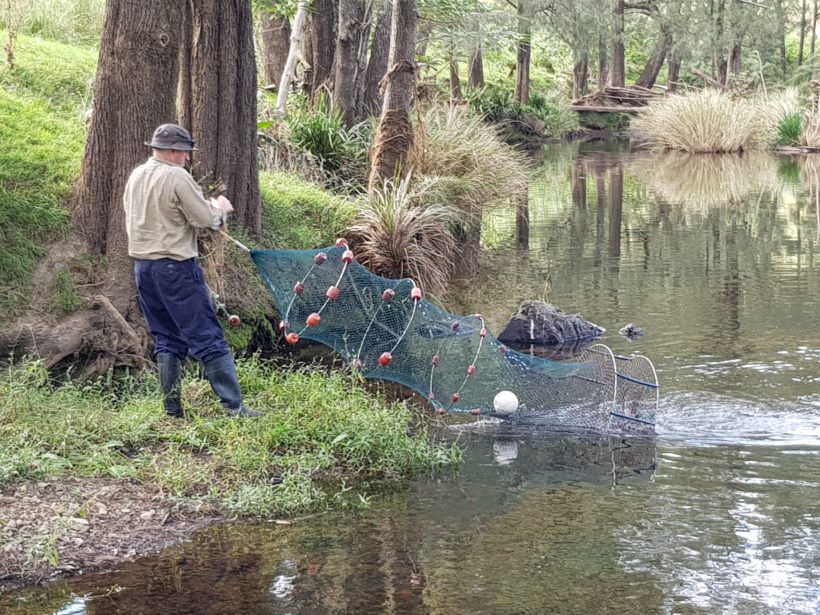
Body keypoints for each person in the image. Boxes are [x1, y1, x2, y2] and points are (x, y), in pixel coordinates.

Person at [123, 123, 259, 418]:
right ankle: (234, 408)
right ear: (172, 151)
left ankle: (172, 410)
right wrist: (220, 209)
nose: (187, 158)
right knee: (207, 334)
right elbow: (204, 220)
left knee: (166, 337)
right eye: (185, 153)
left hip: (143, 269)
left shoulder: (136, 175)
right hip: (175, 269)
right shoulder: (177, 176)